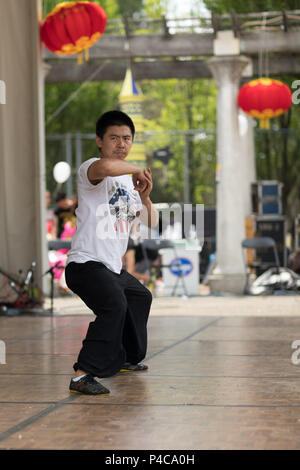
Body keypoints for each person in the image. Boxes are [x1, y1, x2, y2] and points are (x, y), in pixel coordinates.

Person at [65, 110, 159, 395]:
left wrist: (144, 196)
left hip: (111, 268)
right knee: (114, 306)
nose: (121, 144)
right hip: (85, 263)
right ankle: (83, 375)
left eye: (127, 138)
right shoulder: (91, 169)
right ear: (99, 141)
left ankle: (126, 357)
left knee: (140, 297)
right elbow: (106, 168)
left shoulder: (128, 185)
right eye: (114, 138)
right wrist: (134, 169)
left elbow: (151, 222)